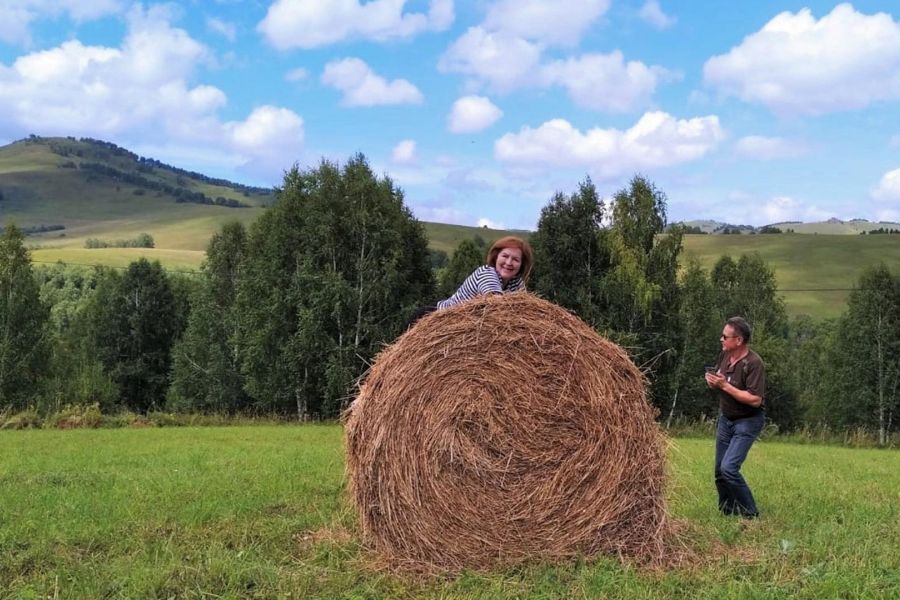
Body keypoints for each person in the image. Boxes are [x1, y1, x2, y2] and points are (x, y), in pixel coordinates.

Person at [705, 316, 766, 519]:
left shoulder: (753, 363)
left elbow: (755, 399)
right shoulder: (724, 356)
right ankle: (727, 512)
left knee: (729, 468)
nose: (721, 339)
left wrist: (725, 386)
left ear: (738, 340)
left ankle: (751, 514)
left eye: (725, 336)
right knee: (719, 472)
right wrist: (714, 382)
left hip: (747, 421)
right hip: (726, 419)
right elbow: (723, 381)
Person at [407, 236, 533, 327]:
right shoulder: (487, 273)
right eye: (505, 256)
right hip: (434, 318)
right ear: (496, 257)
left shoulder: (517, 283)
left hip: (462, 327)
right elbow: (497, 305)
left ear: (522, 265)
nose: (509, 263)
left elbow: (523, 311)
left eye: (516, 259)